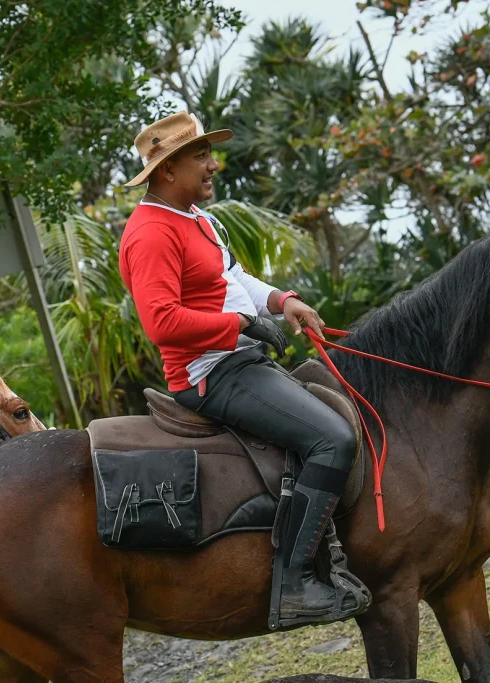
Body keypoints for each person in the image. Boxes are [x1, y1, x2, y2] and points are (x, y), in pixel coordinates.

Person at [118, 112, 365, 627]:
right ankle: (294, 584)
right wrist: (238, 327)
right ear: (166, 170)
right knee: (332, 440)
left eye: (209, 154)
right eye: (200, 156)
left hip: (238, 357)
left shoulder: (197, 218)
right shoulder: (150, 234)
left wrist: (281, 301)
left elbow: (233, 279)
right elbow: (161, 322)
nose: (212, 165)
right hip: (210, 374)